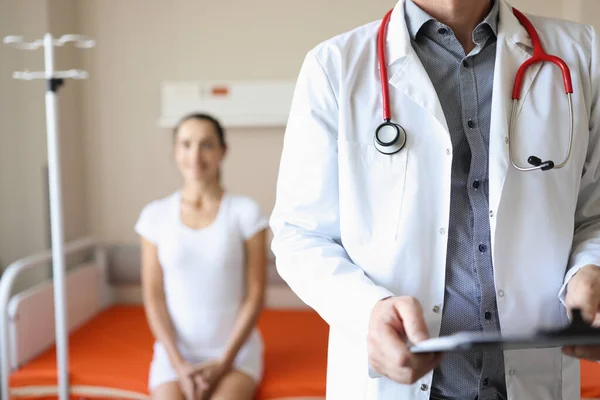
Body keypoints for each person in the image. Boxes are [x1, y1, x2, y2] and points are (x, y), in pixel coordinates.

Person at [269, 0, 600, 398]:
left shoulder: (583, 53)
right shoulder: (334, 66)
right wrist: (366, 313)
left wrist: (590, 270)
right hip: (396, 383)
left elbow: (593, 214)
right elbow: (299, 234)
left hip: (532, 380)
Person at [136, 113, 269, 400]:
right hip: (174, 355)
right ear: (175, 152)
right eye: (186, 144)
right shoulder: (154, 216)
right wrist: (179, 366)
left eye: (206, 145)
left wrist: (223, 363)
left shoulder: (246, 213)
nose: (195, 155)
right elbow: (154, 298)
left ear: (223, 151)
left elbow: (255, 296)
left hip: (236, 353)